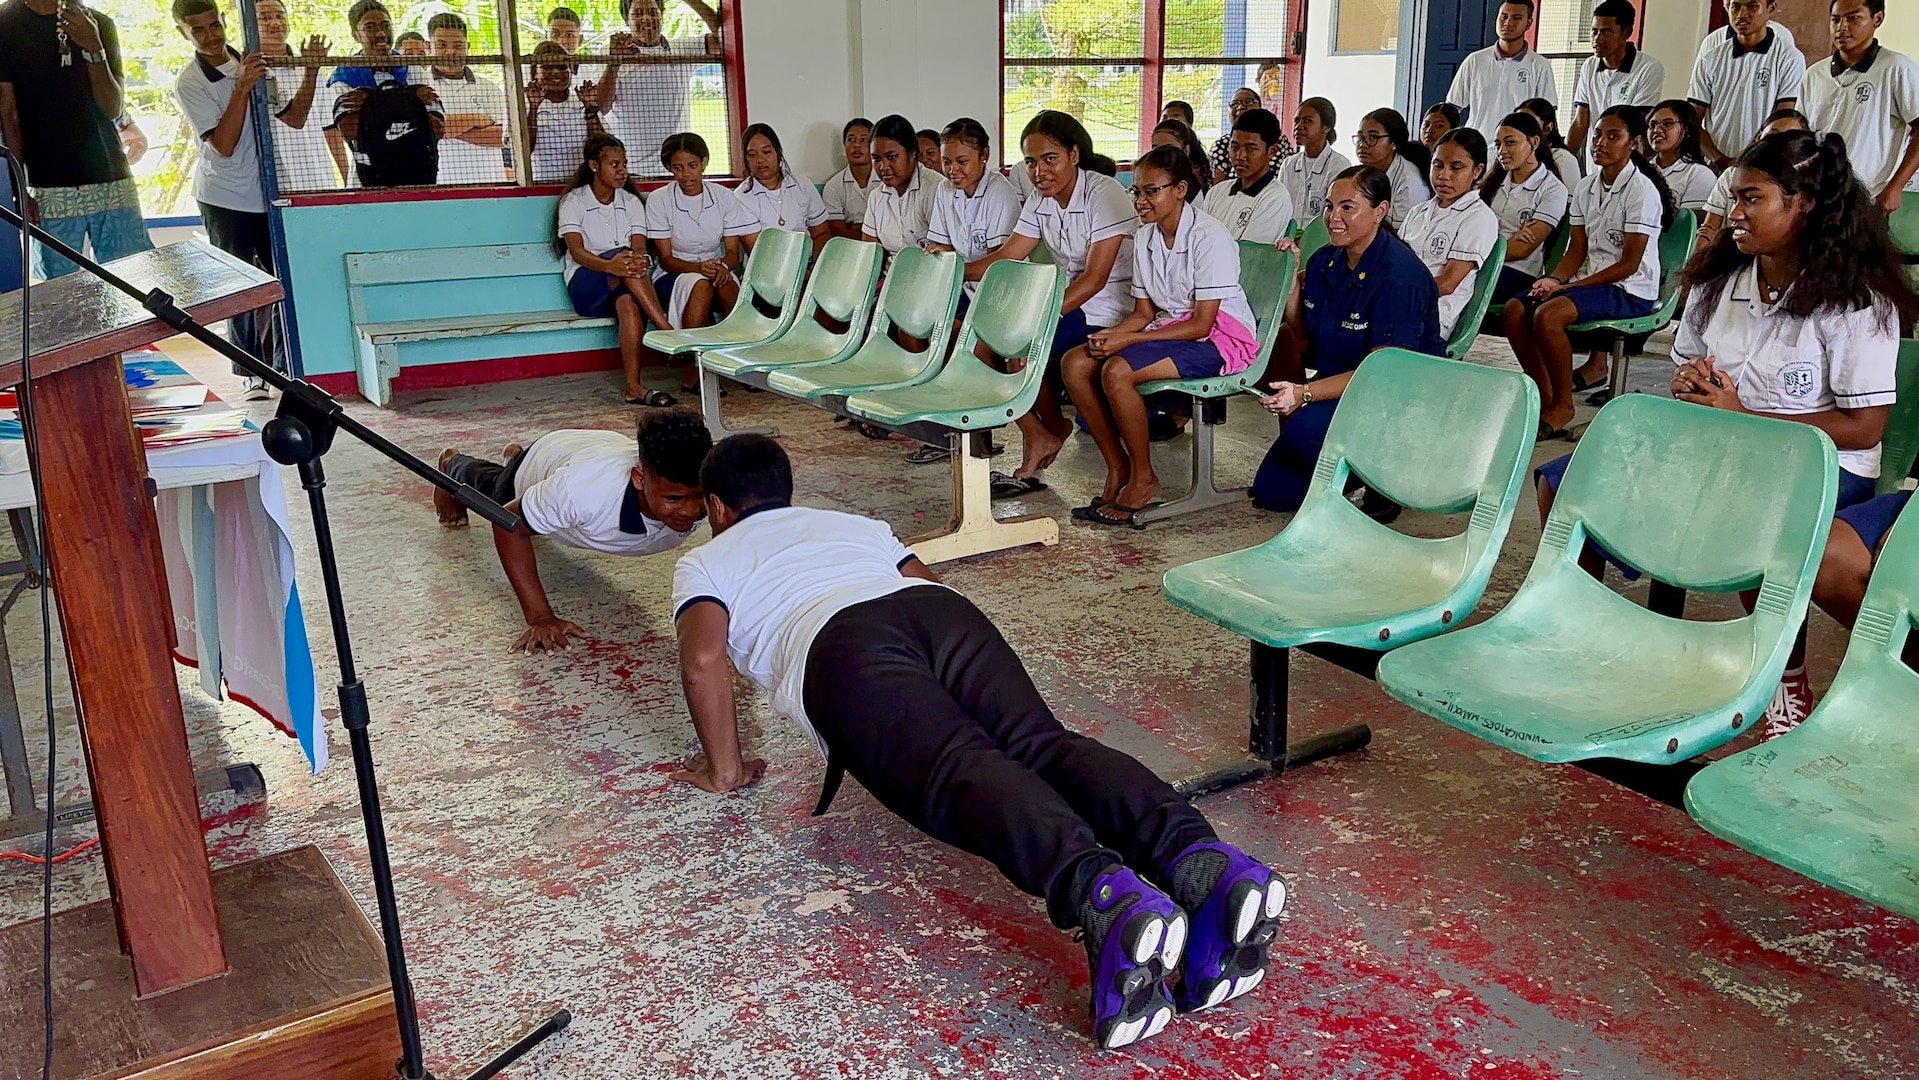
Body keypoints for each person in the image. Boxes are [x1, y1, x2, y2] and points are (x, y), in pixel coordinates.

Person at [669, 433, 1288, 1049]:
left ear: (719, 508)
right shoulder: (851, 523)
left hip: (840, 649)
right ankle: (1205, 867)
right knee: (1043, 743)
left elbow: (702, 659)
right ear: (785, 490)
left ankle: (1102, 894)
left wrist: (725, 769)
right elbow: (928, 580)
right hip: (938, 613)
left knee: (958, 767)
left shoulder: (706, 560)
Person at [1537, 129, 1918, 734]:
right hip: (1718, 447)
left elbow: (1865, 426)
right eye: (1732, 197)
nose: (1731, 214)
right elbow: (1694, 365)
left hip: (1818, 466)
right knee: (1565, 481)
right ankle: (1584, 633)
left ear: (1805, 204)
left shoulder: (1855, 302)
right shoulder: (1719, 282)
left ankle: (1783, 677)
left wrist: (1747, 419)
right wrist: (1692, 384)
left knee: (1758, 526)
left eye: (1751, 199)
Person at [1062, 146, 1260, 527]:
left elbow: (1202, 325)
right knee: (1075, 363)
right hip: (1170, 331)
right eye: (1136, 191)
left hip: (1218, 339)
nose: (1140, 200)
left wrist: (1128, 342)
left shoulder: (1208, 237)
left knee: (1117, 372)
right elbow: (1143, 314)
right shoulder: (1146, 238)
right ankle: (1117, 466)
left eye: (1151, 191)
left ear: (1181, 189)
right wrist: (1110, 335)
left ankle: (1143, 477)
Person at [436, 409, 712, 655]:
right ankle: (453, 464)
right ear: (639, 479)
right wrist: (540, 618)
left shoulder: (720, 485)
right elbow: (507, 523)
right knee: (496, 491)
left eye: (699, 495)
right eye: (674, 498)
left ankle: (514, 459)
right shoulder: (581, 491)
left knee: (533, 496)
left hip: (592, 448)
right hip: (550, 458)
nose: (689, 510)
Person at [1251, 166, 1443, 513]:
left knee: (1303, 430)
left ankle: (1386, 473)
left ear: (1380, 212)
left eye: (1347, 207)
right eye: (1329, 207)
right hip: (1343, 385)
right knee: (1273, 492)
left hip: (1393, 399)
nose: (1333, 218)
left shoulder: (1400, 276)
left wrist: (1304, 393)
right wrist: (1292, 284)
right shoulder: (1326, 260)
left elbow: (1385, 372)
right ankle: (1347, 469)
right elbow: (1303, 335)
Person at [973, 111, 1135, 496]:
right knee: (983, 348)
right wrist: (953, 270)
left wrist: (1039, 319)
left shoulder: (1103, 192)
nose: (1039, 171)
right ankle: (1042, 432)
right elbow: (1007, 255)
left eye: (1050, 159)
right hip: (1070, 302)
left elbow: (1096, 279)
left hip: (1114, 306)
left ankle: (1066, 437)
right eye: (1030, 161)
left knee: (1022, 348)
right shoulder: (1039, 199)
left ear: (1074, 155)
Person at [1502, 105, 1673, 437]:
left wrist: (1567, 290)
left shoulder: (1641, 191)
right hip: (1591, 282)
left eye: (1614, 136)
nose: (1600, 142)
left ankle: (1564, 406)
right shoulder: (1586, 187)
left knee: (1549, 315)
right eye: (1597, 134)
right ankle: (1546, 395)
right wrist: (1553, 279)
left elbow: (1629, 264)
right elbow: (1576, 250)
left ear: (1634, 143)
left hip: (1630, 289)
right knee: (1515, 308)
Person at [173, 0, 287, 399]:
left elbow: (290, 115)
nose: (210, 36)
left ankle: (285, 367)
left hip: (270, 193)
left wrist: (304, 72)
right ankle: (251, 372)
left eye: (214, 25)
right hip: (225, 197)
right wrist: (241, 89)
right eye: (198, 30)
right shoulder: (189, 82)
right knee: (238, 285)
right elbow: (222, 145)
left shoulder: (251, 61)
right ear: (184, 34)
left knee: (281, 280)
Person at [0, 0, 153, 279]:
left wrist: (94, 48)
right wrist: (17, 187)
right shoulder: (5, 23)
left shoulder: (97, 23)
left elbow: (112, 108)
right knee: (59, 298)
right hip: (47, 188)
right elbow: (8, 115)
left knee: (135, 283)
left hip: (112, 181)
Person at [554, 133, 674, 405]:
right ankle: (666, 330)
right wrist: (612, 264)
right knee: (624, 258)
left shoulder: (631, 202)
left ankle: (633, 387)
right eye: (614, 165)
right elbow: (578, 252)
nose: (622, 171)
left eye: (625, 165)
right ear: (594, 166)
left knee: (629, 305)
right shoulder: (574, 201)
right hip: (587, 288)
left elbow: (640, 247)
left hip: (624, 283)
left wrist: (640, 259)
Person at [1803, 0, 1919, 215]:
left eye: (1853, 18)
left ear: (1877, 19)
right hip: (1817, 194)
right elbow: (1802, 133)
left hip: (1869, 197)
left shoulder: (1896, 68)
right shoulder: (1814, 74)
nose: (1842, 27)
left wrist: (1896, 187)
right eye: (1836, 20)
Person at [648, 131, 757, 354]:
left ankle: (743, 356)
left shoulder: (724, 197)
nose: (686, 174)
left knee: (726, 284)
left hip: (716, 269)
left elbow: (732, 254)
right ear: (669, 167)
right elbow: (667, 260)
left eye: (692, 165)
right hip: (673, 275)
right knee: (700, 285)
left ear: (704, 162)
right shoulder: (659, 199)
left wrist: (723, 267)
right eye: (678, 168)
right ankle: (693, 367)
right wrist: (699, 269)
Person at [327, 0, 444, 188]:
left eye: (385, 25)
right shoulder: (343, 77)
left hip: (419, 177)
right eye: (370, 27)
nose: (381, 33)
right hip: (367, 181)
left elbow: (437, 128)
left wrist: (370, 104)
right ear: (356, 35)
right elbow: (350, 132)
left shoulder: (412, 68)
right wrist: (410, 99)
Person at [594, 0, 720, 173]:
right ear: (627, 21)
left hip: (677, 169)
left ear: (662, 16)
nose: (647, 18)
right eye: (637, 14)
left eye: (653, 12)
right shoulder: (608, 53)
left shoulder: (682, 48)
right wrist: (614, 63)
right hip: (631, 171)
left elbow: (724, 37)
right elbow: (600, 107)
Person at [1402, 128, 1501, 341]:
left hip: (1433, 316)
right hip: (1401, 302)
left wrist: (1396, 295)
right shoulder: (1417, 212)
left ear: (1477, 171)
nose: (1443, 175)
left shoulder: (1479, 217)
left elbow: (1448, 284)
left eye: (1456, 168)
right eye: (1437, 165)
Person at [1689, 0, 1806, 168]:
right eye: (1736, 6)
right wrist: (1719, 159)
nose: (1742, 14)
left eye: (1752, 6)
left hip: (1764, 164)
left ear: (1771, 8)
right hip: (1714, 164)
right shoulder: (1711, 58)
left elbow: (1784, 120)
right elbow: (1692, 120)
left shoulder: (1789, 58)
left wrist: (1751, 159)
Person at [924, 116, 1022, 314]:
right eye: (946, 162)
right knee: (916, 322)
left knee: (953, 335)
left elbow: (999, 264)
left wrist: (954, 270)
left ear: (984, 155)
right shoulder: (945, 189)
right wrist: (936, 252)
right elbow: (944, 246)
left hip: (997, 293)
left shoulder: (999, 191)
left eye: (962, 161)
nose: (953, 170)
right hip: (962, 288)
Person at [1481, 111, 1569, 308]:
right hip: (1480, 264)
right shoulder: (1492, 182)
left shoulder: (1552, 189)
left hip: (1518, 271)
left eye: (1510, 142)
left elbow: (1522, 249)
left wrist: (1479, 249)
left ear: (1534, 143)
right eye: (1498, 144)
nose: (1502, 150)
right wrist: (1506, 243)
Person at [254, 0, 337, 191]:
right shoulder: (253, 75)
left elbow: (330, 128)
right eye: (265, 18)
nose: (275, 23)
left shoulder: (309, 69)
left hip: (321, 182)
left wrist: (345, 177)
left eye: (279, 16)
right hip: (278, 185)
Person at [1698, 108, 1808, 247]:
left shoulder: (1805, 181)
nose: (1734, 214)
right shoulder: (1732, 175)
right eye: (1772, 135)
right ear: (1759, 137)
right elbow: (1709, 229)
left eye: (1751, 199)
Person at [1568, 0, 1665, 154]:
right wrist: (1565, 161)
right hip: (1594, 163)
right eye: (1594, 31)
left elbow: (1635, 125)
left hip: (1628, 161)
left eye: (1606, 32)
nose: (1598, 39)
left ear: (1626, 33)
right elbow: (1581, 122)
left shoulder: (1649, 68)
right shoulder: (1589, 66)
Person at [1445, 0, 1557, 134]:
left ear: (1528, 23)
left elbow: (1547, 116)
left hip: (1518, 150)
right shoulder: (1475, 60)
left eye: (1516, 18)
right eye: (1503, 16)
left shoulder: (1540, 66)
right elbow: (1452, 108)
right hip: (1476, 148)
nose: (1508, 22)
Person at [425, 13, 507, 185]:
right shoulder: (419, 87)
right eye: (442, 45)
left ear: (467, 46)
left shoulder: (488, 87)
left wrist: (445, 129)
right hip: (438, 186)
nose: (451, 52)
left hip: (490, 185)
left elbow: (503, 137)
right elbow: (425, 131)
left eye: (458, 45)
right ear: (428, 46)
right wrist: (479, 119)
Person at [1202, 107, 1294, 245]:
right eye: (1234, 147)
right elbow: (1198, 241)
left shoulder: (1275, 197)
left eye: (1250, 149)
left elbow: (1250, 255)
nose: (1240, 156)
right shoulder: (1216, 192)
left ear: (1272, 151)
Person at [737, 123, 828, 255]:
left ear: (779, 152)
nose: (760, 160)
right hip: (766, 269)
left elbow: (822, 233)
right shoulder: (741, 197)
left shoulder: (802, 185)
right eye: (751, 155)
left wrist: (814, 266)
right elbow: (757, 252)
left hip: (807, 263)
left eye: (766, 152)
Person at [861, 114, 941, 260]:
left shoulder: (935, 190)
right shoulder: (876, 197)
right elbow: (869, 255)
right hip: (890, 277)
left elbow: (944, 256)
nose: (883, 167)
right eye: (876, 159)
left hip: (929, 276)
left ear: (913, 153)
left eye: (891, 157)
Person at [526, 41, 606, 183]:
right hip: (540, 185)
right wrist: (533, 108)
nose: (556, 72)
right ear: (534, 72)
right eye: (547, 67)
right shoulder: (522, 104)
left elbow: (601, 148)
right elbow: (525, 150)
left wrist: (590, 107)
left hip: (583, 185)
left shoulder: (582, 100)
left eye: (563, 67)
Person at [1354, 108, 1431, 228]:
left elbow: (1404, 234)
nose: (1363, 145)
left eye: (1373, 138)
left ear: (1393, 143)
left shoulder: (1409, 182)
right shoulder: (1363, 172)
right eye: (1361, 137)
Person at [1280, 97, 1351, 221]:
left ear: (1326, 127)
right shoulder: (1288, 164)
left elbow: (1338, 213)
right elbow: (1280, 206)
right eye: (1296, 121)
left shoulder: (1339, 165)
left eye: (1308, 121)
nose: (1299, 126)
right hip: (1287, 237)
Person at [1648, 99, 1716, 210]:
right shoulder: (1639, 168)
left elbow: (1689, 224)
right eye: (1652, 125)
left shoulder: (1699, 174)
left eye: (1667, 124)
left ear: (1687, 129)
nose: (1657, 130)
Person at [1212, 87, 1289, 185]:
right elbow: (1216, 180)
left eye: (1247, 102)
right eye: (1234, 104)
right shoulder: (1221, 144)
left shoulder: (1280, 141)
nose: (1240, 107)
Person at [822, 117, 876, 241]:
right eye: (851, 140)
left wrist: (855, 227)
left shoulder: (887, 179)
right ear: (844, 144)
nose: (857, 145)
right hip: (851, 249)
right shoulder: (834, 186)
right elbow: (837, 231)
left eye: (863, 140)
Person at [1520, 97, 1582, 181]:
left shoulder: (1562, 158)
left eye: (1528, 124)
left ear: (1548, 128)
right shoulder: (1515, 155)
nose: (1519, 130)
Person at [1151, 118, 1212, 195]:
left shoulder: (1193, 188)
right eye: (1156, 149)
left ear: (1186, 151)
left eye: (1169, 149)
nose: (1161, 155)